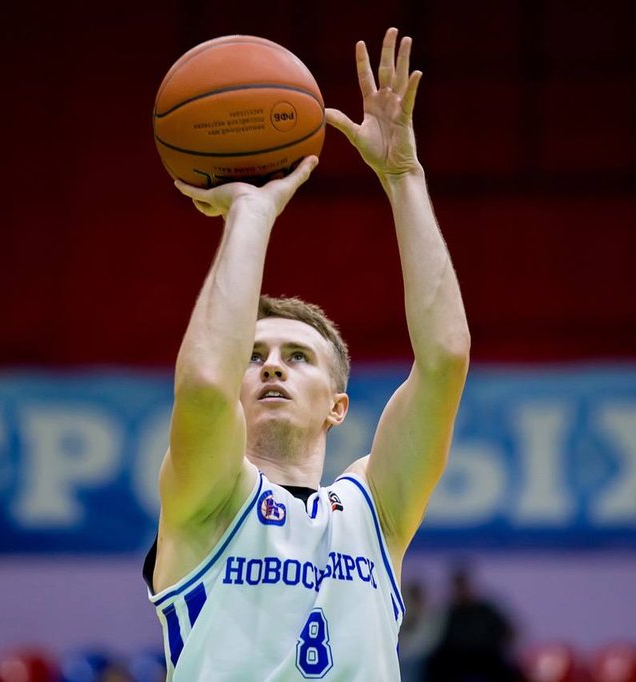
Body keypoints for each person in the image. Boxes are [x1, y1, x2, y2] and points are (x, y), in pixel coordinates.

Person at [143, 27, 470, 680]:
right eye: (253, 355)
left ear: (336, 406)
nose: (270, 364)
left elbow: (444, 360)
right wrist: (250, 211)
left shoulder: (374, 510)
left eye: (298, 356)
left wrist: (403, 176)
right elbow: (203, 384)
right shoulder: (207, 499)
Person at [425, 567, 520, 682]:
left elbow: (509, 631)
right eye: (458, 587)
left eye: (463, 586)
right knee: (435, 665)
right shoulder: (448, 612)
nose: (461, 590)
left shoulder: (485, 610)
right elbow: (436, 638)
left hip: (486, 655)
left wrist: (504, 644)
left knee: (508, 669)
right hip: (456, 657)